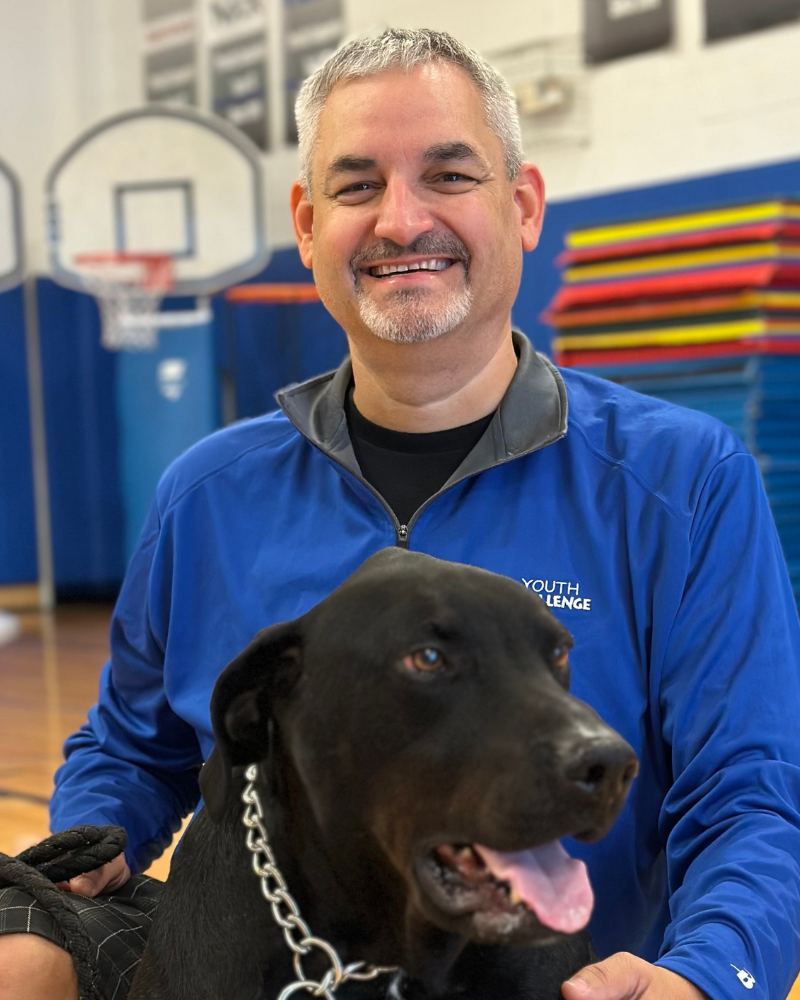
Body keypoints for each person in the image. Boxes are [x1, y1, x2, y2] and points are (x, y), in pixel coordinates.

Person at [2, 27, 800, 1000]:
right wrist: (93, 841)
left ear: (522, 205)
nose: (399, 218)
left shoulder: (681, 482)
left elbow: (753, 802)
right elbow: (132, 746)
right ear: (305, 224)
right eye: (355, 186)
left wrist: (705, 973)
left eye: (447, 174)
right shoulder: (207, 496)